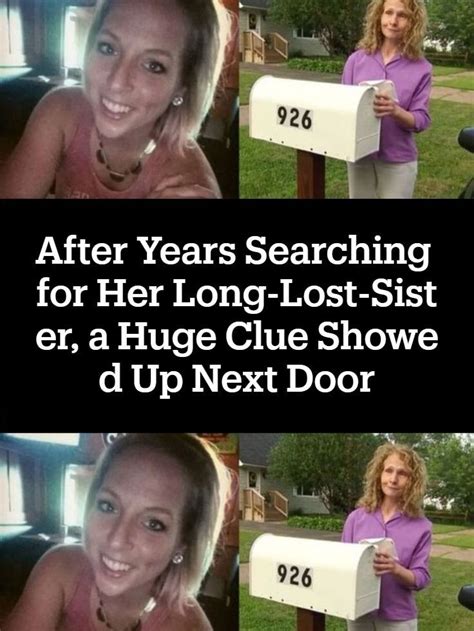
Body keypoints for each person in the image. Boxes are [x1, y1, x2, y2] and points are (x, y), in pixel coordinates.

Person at [0, 0, 231, 199]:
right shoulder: (61, 111)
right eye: (108, 48)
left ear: (182, 87)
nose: (116, 82)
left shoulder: (188, 181)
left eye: (153, 65)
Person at [4, 433, 231, 631]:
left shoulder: (189, 627)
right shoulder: (59, 567)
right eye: (108, 506)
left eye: (153, 523)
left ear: (183, 542)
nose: (116, 540)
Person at [342, 0, 432, 198]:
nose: (393, 21)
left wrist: (395, 111)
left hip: (398, 162)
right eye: (388, 13)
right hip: (359, 157)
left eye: (402, 15)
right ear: (378, 17)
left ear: (413, 22)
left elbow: (421, 120)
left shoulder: (422, 68)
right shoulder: (356, 60)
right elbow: (343, 107)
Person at [342, 443, 432, 630]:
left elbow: (421, 578)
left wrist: (395, 569)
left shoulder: (422, 526)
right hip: (359, 614)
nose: (393, 479)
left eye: (402, 473)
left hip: (398, 619)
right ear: (378, 475)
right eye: (388, 470)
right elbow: (342, 563)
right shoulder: (356, 518)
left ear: (413, 481)